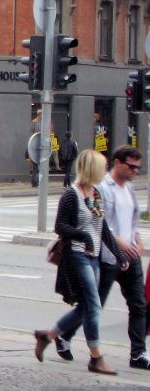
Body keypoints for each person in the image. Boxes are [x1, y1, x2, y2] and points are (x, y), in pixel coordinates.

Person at [54, 146, 148, 369]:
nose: (135, 171)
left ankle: (137, 354)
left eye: (138, 167)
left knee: (138, 305)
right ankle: (64, 336)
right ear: (118, 163)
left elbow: (121, 222)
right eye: (131, 166)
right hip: (97, 256)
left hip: (124, 254)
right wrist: (115, 246)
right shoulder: (96, 189)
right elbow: (85, 225)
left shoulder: (124, 190)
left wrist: (135, 239)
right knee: (93, 306)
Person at [35, 149, 125, 375]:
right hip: (77, 256)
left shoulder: (94, 194)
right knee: (93, 305)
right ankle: (96, 357)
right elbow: (60, 227)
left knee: (86, 306)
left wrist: (119, 255)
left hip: (93, 257)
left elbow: (102, 228)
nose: (104, 171)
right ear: (92, 169)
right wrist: (83, 236)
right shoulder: (71, 195)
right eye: (102, 167)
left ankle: (48, 336)